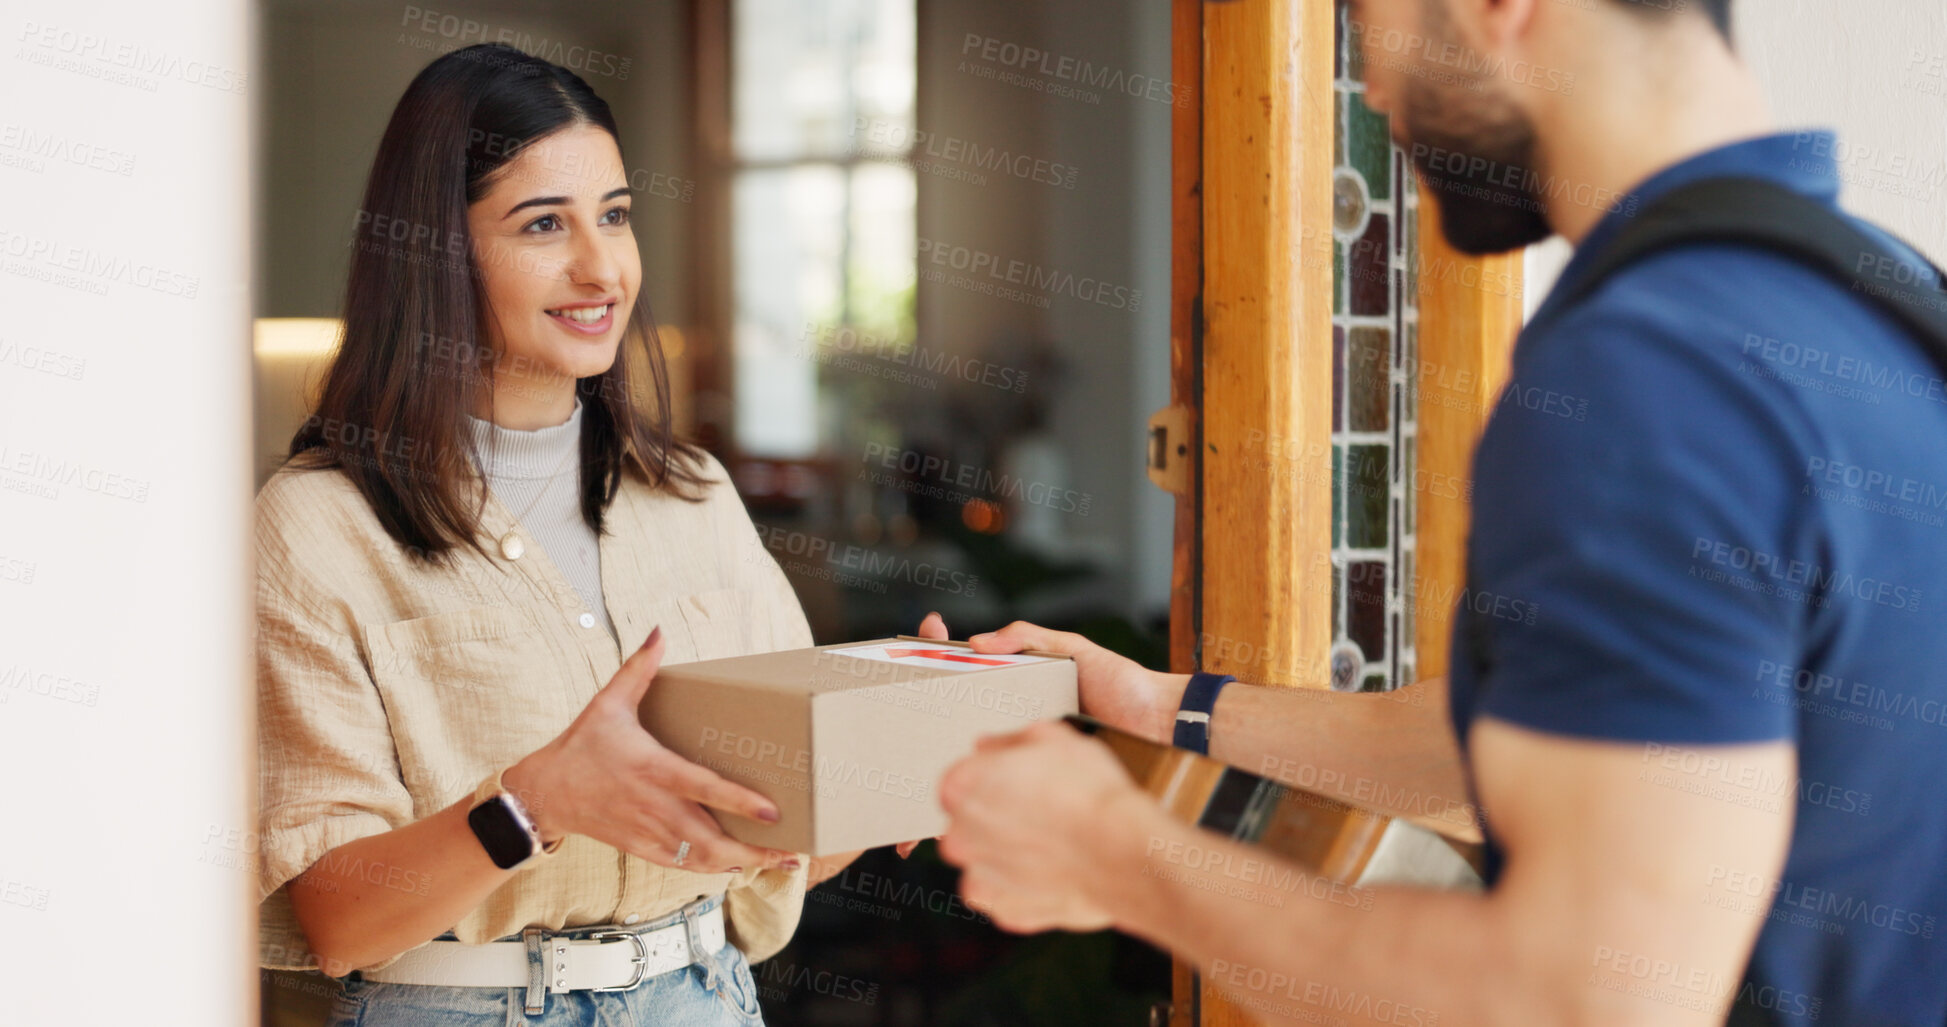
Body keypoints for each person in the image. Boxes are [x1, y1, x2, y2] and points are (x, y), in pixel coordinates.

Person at [934, 1, 1947, 1024]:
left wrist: (1118, 860)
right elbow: (1579, 733)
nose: (1370, 89)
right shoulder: (1883, 297)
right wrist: (1160, 707)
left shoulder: (1649, 371)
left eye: (1368, 20)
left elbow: (1575, 1001)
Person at [256, 43, 899, 1026]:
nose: (601, 267)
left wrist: (895, 766)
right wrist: (533, 802)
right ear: (434, 248)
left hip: (707, 995)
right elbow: (339, 920)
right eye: (544, 223)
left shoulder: (692, 495)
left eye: (614, 215)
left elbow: (773, 848)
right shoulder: (314, 530)